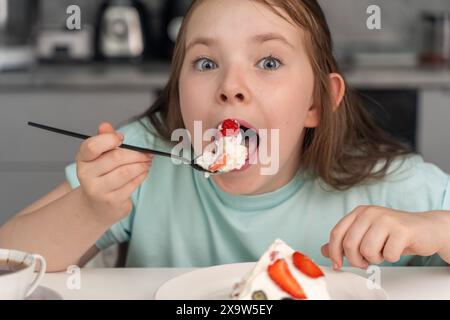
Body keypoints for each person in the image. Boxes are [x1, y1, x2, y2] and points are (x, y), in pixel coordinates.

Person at [1, 0, 449, 272]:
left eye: (268, 62)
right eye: (205, 63)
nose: (230, 85)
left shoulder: (392, 187)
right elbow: (7, 261)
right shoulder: (147, 159)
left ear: (316, 102)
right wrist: (88, 209)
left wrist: (431, 229)